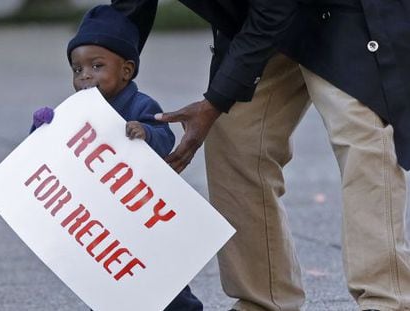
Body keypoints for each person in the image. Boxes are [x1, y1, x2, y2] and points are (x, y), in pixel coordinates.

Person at [111, 0, 410, 311]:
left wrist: (215, 101)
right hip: (260, 19)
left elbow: (276, 8)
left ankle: (386, 299)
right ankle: (263, 300)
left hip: (345, 13)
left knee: (364, 136)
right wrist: (99, 66)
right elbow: (128, 8)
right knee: (234, 138)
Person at [31, 5, 203, 311]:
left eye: (96, 66)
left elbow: (166, 138)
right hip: (102, 214)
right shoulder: (77, 110)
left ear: (126, 70)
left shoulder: (140, 104)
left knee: (159, 270)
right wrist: (42, 127)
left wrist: (146, 132)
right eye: (77, 69)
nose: (85, 76)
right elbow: (52, 150)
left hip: (141, 208)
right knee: (113, 274)